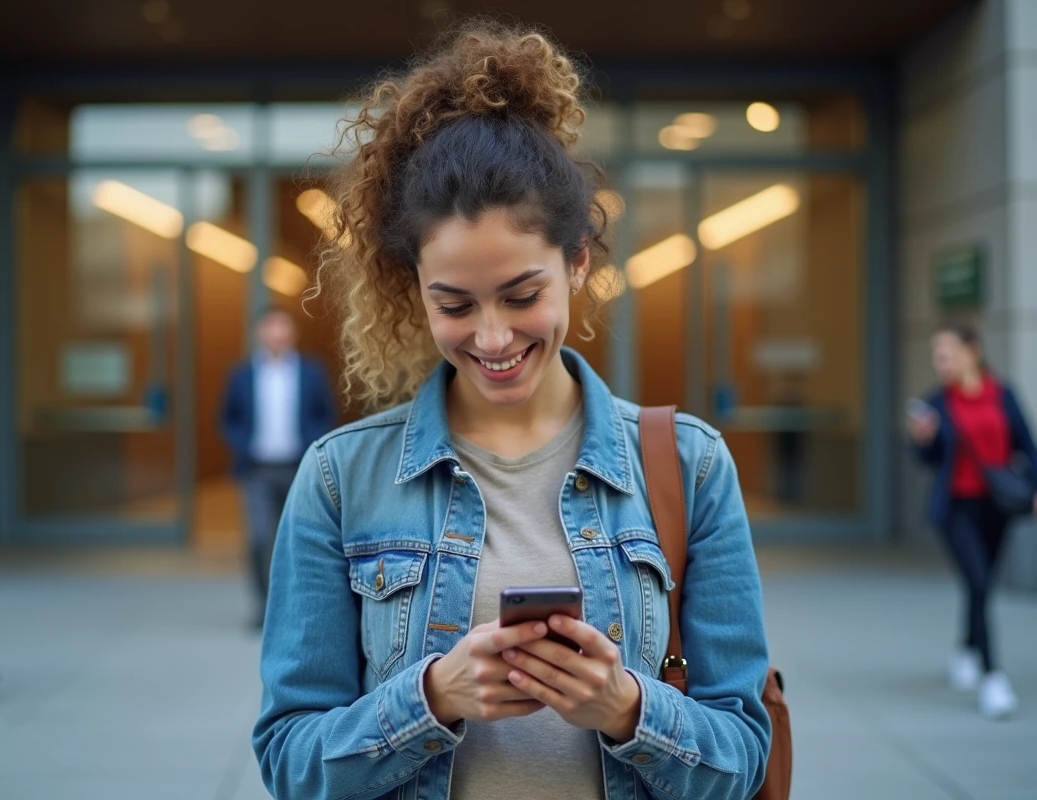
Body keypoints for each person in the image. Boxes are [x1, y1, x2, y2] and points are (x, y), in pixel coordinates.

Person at [251, 24, 771, 800]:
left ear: (578, 264)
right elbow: (291, 760)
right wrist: (430, 699)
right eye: (454, 304)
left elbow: (743, 752)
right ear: (412, 286)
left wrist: (629, 710)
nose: (493, 337)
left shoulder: (688, 464)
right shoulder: (340, 478)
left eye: (523, 296)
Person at [908, 323, 1037, 720]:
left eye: (948, 353)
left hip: (998, 506)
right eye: (937, 355)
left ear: (972, 351)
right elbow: (926, 460)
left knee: (982, 585)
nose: (941, 362)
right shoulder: (936, 404)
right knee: (976, 581)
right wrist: (923, 439)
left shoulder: (1003, 395)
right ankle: (993, 677)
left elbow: (1028, 445)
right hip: (956, 508)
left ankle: (965, 646)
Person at [221, 308, 337, 627]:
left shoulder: (311, 372)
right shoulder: (242, 374)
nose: (276, 334)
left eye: (282, 328)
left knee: (300, 537)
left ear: (292, 334)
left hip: (299, 467)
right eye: (270, 328)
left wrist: (310, 446)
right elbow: (229, 418)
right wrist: (243, 444)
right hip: (257, 469)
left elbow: (325, 413)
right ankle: (265, 605)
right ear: (260, 333)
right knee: (259, 538)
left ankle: (298, 606)